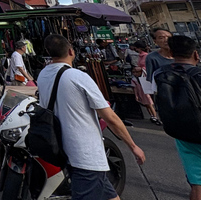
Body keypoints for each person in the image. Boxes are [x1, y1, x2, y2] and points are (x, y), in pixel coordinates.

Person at [39, 34, 145, 200]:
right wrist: (133, 146)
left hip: (63, 149)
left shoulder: (43, 75)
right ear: (71, 51)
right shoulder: (77, 76)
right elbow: (110, 117)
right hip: (85, 154)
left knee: (109, 195)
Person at [154, 36, 201, 200]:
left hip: (182, 133)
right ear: (196, 55)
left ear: (171, 53)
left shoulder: (160, 74)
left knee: (197, 184)